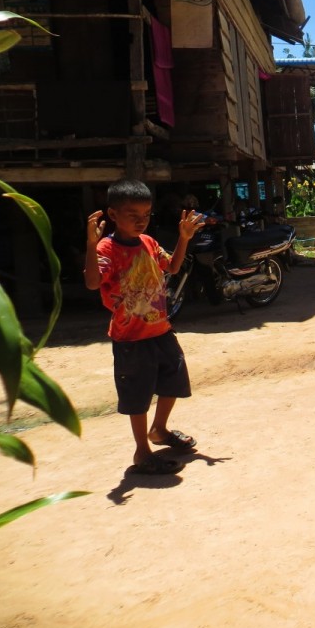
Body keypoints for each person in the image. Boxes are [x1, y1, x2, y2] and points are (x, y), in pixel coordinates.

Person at [84, 179, 205, 475]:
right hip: (130, 338)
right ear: (113, 215)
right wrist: (89, 244)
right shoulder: (107, 248)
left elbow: (173, 267)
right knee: (137, 395)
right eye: (133, 215)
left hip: (160, 330)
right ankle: (142, 451)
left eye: (147, 215)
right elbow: (91, 282)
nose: (141, 221)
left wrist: (184, 238)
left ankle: (160, 431)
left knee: (175, 381)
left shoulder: (148, 242)